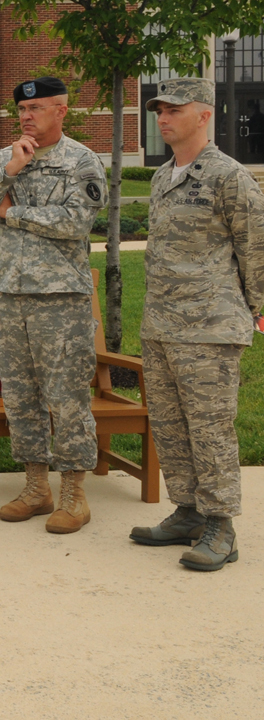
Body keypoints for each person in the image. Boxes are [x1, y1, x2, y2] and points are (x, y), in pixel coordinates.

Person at [0, 76, 106, 533]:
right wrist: (7, 175)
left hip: (59, 298)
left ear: (61, 111)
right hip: (8, 294)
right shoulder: (5, 158)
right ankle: (36, 488)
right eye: (22, 110)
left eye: (37, 108)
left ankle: (75, 495)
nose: (26, 116)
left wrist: (10, 212)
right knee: (20, 396)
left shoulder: (81, 162)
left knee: (66, 397)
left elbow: (75, 222)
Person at [130, 77, 264, 571]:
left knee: (210, 430)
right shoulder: (165, 176)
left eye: (173, 110)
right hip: (162, 324)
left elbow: (255, 246)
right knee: (170, 425)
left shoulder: (228, 176)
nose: (162, 118)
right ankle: (187, 511)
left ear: (203, 114)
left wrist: (257, 308)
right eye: (158, 110)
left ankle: (221, 527)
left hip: (209, 326)